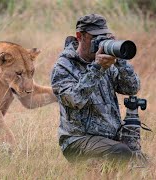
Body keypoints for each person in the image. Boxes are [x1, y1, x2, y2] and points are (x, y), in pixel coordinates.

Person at [51, 14, 141, 162]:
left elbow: (132, 88)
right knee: (121, 153)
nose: (100, 42)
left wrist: (120, 60)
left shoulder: (106, 62)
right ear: (80, 36)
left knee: (144, 164)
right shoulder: (63, 66)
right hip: (78, 141)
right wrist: (97, 68)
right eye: (95, 37)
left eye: (103, 37)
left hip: (110, 139)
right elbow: (75, 100)